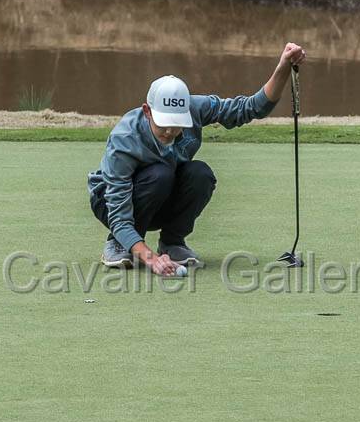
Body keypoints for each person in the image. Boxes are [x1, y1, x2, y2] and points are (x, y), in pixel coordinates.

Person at [87, 43, 307, 276]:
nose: (171, 131)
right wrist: (151, 260)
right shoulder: (125, 140)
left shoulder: (195, 108)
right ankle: (120, 244)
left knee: (200, 174)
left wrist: (283, 67)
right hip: (110, 205)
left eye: (177, 124)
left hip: (159, 193)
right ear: (147, 111)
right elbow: (119, 215)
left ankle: (172, 243)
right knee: (159, 174)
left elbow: (251, 108)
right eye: (164, 123)